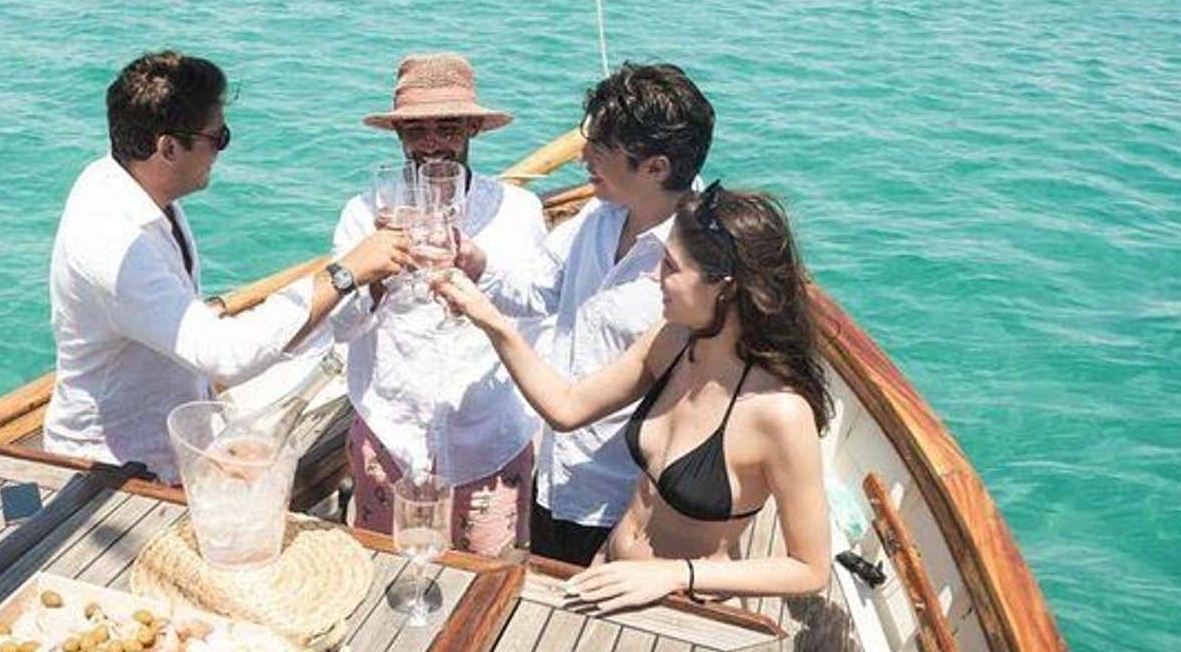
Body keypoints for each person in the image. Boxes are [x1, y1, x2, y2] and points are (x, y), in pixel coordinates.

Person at [435, 183, 832, 610]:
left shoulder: (780, 413)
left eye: (671, 266)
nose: (654, 275)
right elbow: (566, 408)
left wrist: (675, 574)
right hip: (604, 570)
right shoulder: (674, 340)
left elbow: (810, 569)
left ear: (726, 288)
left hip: (682, 606)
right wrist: (491, 321)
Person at [43, 50, 410, 482]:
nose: (221, 150)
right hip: (109, 470)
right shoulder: (111, 242)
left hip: (164, 447)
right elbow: (224, 356)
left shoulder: (130, 187)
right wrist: (345, 272)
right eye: (218, 137)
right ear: (168, 148)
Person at [454, 62, 715, 565]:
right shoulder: (598, 216)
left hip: (632, 506)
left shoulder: (700, 266)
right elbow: (537, 290)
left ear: (655, 168)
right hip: (557, 478)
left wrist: (486, 318)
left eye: (599, 149)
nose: (582, 158)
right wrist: (476, 264)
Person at [329, 53, 548, 556]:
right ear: (398, 135)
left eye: (446, 128)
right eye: (416, 130)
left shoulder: (518, 211)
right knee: (383, 569)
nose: (431, 144)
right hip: (390, 436)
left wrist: (480, 269)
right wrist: (377, 275)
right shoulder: (364, 214)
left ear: (472, 129)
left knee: (489, 581)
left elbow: (539, 314)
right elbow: (338, 326)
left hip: (488, 442)